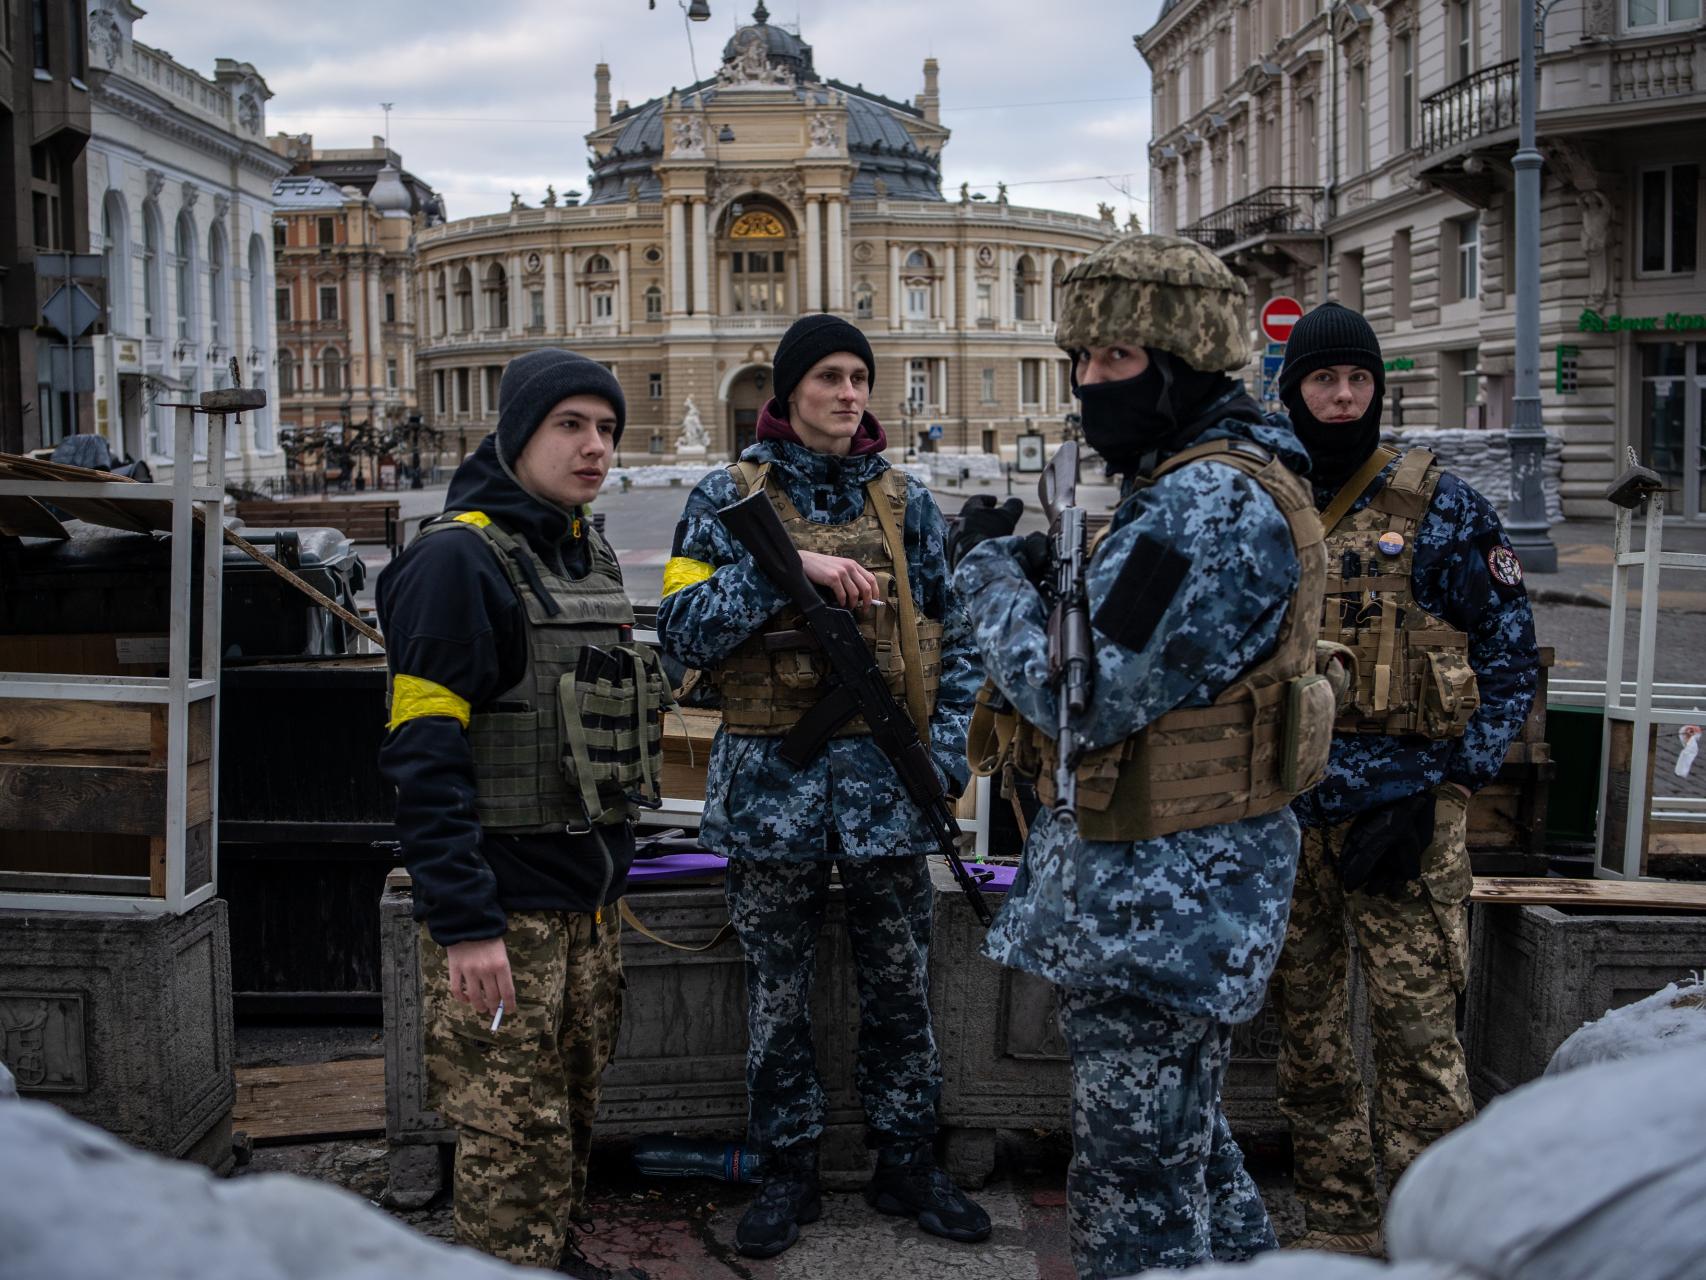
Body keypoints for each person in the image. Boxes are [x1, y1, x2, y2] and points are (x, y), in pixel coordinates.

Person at [953, 233, 1330, 1278]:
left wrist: (983, 576)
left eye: (1112, 358)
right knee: (1193, 1150)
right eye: (1077, 359)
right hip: (1186, 887)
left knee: (1136, 1195)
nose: (1086, 383)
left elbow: (1083, 693)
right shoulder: (1224, 479)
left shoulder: (1200, 503)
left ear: (1182, 360)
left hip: (1159, 900)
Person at [656, 313, 990, 1259]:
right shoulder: (726, 498)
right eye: (829, 378)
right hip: (772, 784)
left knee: (901, 987)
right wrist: (781, 571)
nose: (848, 394)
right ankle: (784, 1167)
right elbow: (680, 628)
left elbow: (956, 642)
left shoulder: (907, 503)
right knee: (776, 993)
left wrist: (952, 756)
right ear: (789, 391)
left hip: (890, 788)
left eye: (859, 378)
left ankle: (908, 1161)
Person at [377, 349, 665, 1276]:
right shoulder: (456, 562)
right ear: (516, 435)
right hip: (504, 917)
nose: (594, 448)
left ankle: (549, 1257)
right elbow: (424, 759)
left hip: (585, 909)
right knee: (511, 1143)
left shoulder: (583, 548)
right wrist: (465, 926)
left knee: (566, 1128)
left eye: (607, 429)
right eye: (569, 426)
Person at [1269, 301, 1540, 1256]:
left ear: (1379, 388)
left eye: (1359, 381)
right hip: (1287, 822)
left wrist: (1447, 791)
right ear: (1292, 388)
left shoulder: (1442, 505)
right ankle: (1338, 1234)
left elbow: (1510, 657)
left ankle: (1439, 1242)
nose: (1343, 398)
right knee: (1308, 1047)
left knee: (1422, 1051)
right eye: (1323, 381)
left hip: (1411, 818)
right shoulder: (1265, 499)